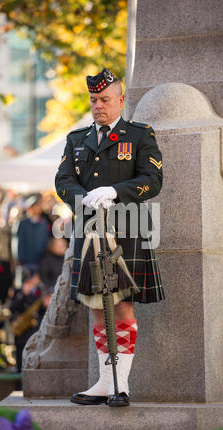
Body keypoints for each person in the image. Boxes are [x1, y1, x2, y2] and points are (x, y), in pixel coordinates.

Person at [55, 68, 165, 407]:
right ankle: (104, 382)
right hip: (90, 229)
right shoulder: (77, 139)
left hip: (127, 230)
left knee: (122, 306)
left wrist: (115, 191)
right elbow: (63, 181)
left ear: (120, 99)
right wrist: (83, 197)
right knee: (93, 304)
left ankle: (121, 384)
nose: (98, 106)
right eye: (93, 100)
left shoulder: (140, 134)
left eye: (104, 99)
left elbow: (153, 180)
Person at [10, 270, 44, 376]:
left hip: (34, 331)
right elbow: (12, 307)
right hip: (21, 333)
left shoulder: (40, 291)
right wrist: (24, 295)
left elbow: (42, 311)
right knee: (20, 362)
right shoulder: (18, 292)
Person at [15, 194, 50, 272]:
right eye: (37, 205)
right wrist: (20, 259)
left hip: (40, 261)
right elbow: (18, 242)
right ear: (31, 207)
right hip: (26, 262)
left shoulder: (43, 223)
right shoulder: (22, 223)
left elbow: (46, 240)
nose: (39, 208)